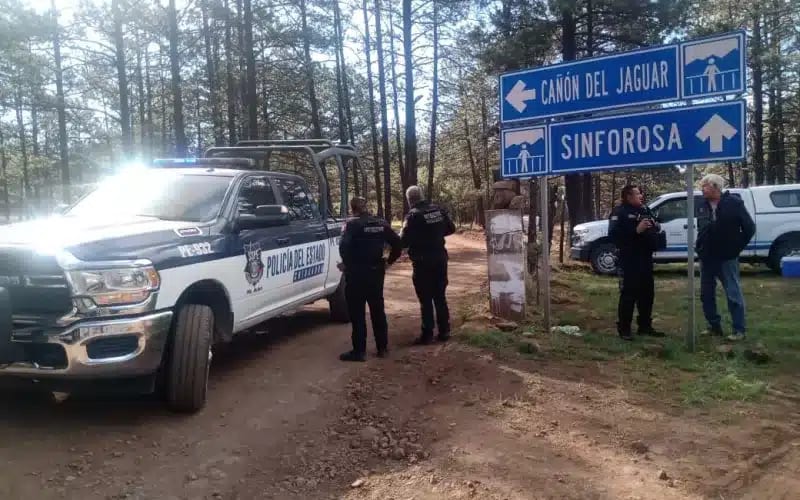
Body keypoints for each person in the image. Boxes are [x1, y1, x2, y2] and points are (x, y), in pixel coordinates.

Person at [338, 197, 402, 362]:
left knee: (357, 312)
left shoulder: (351, 224)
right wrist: (389, 262)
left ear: (353, 209)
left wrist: (347, 265)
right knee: (377, 309)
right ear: (366, 208)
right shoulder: (380, 223)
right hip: (376, 272)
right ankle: (382, 348)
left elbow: (344, 246)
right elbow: (397, 242)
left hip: (356, 273)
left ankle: (359, 351)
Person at [696, 174, 755, 341]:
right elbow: (702, 229)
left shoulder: (733, 203)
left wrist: (736, 248)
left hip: (727, 257)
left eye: (705, 186)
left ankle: (739, 330)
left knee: (733, 292)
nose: (702, 189)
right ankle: (714, 326)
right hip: (707, 257)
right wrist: (700, 247)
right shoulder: (701, 205)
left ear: (715, 187)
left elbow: (749, 228)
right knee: (706, 294)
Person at [400, 185, 456, 344]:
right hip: (440, 258)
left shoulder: (413, 216)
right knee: (440, 296)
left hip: (422, 261)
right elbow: (451, 228)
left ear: (410, 200)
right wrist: (436, 235)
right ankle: (444, 332)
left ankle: (427, 334)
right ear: (422, 195)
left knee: (425, 298)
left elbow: (403, 240)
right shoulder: (439, 210)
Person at [608, 185, 665, 341]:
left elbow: (654, 227)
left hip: (645, 259)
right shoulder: (619, 212)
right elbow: (614, 237)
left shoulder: (645, 210)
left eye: (641, 193)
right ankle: (624, 329)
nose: (641, 196)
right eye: (637, 193)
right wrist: (636, 231)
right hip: (629, 259)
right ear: (628, 196)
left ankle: (645, 326)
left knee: (647, 294)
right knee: (629, 294)